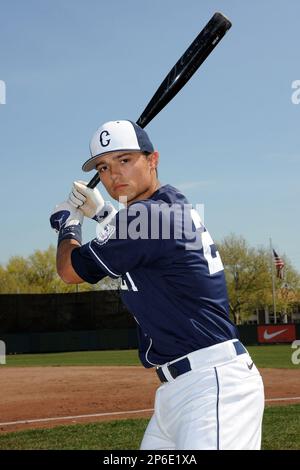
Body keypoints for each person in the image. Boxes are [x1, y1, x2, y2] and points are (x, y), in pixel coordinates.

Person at [50, 119, 264, 450]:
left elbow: (69, 270)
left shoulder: (147, 218)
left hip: (212, 386)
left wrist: (69, 226)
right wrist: (104, 212)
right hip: (177, 390)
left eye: (125, 160)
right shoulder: (169, 202)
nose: (114, 175)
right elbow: (141, 244)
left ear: (153, 160)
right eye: (104, 167)